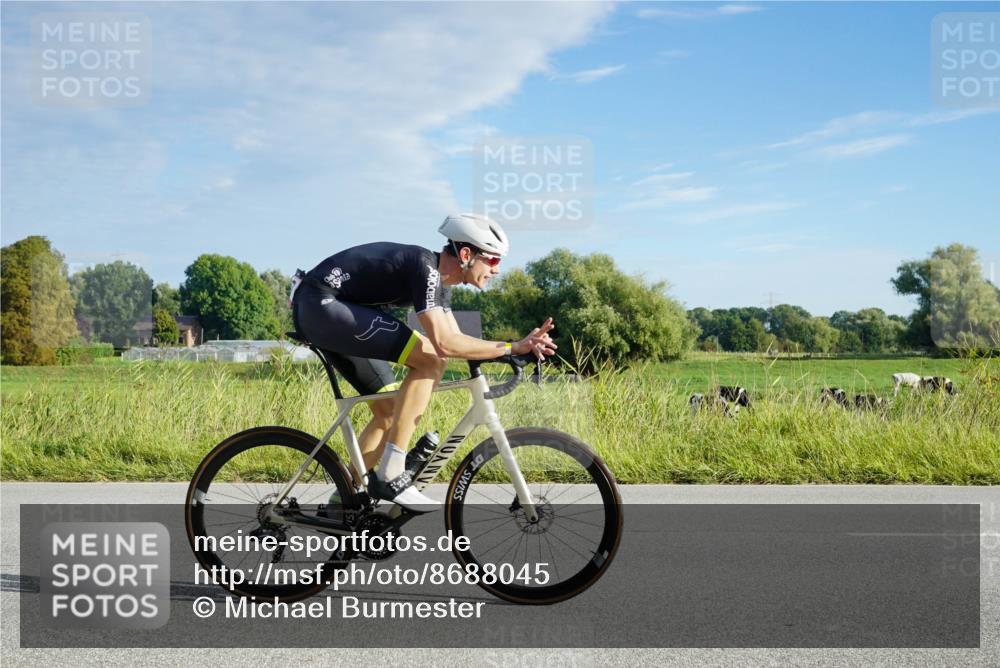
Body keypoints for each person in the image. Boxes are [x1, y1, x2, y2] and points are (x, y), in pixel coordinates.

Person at [290, 213, 557, 512]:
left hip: (333, 310)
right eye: (493, 261)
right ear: (467, 254)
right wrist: (512, 346)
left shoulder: (440, 285)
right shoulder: (425, 269)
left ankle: (345, 501)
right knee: (430, 361)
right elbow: (444, 344)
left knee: (388, 411)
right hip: (321, 304)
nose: (497, 270)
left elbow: (456, 339)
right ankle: (392, 470)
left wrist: (515, 348)